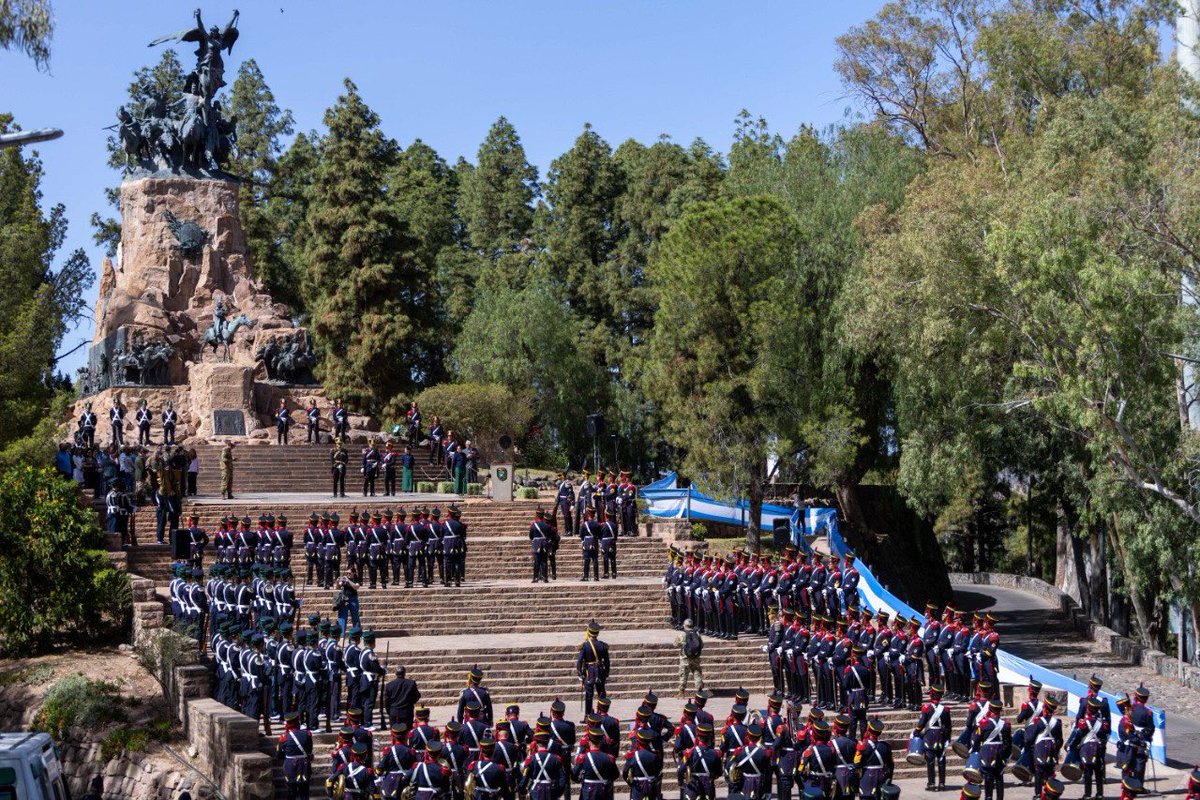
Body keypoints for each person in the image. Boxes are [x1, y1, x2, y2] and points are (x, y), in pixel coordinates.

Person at [914, 683, 952, 792]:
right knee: (941, 760)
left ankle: (931, 783)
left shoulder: (926, 708)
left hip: (930, 737)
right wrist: (947, 738)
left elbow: (921, 723)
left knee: (930, 761)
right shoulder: (945, 710)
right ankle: (942, 784)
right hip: (941, 736)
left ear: (932, 694)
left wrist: (916, 732)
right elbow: (948, 726)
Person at [575, 622, 610, 717]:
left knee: (589, 695)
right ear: (597, 633)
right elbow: (607, 661)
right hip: (600, 672)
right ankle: (602, 713)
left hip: (588, 673)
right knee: (601, 693)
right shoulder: (603, 646)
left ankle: (588, 716)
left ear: (589, 632)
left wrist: (580, 674)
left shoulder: (585, 646)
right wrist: (606, 674)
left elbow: (579, 661)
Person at [277, 710, 313, 800]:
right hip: (304, 765)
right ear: (298, 721)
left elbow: (279, 755)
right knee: (304, 792)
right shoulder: (307, 734)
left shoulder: (284, 737)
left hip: (290, 766)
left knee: (291, 791)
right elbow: (309, 750)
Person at [384, 666, 422, 731]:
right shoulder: (411, 683)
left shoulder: (389, 685)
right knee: (407, 732)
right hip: (407, 711)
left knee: (395, 733)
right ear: (404, 673)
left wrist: (389, 711)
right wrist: (410, 703)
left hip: (394, 712)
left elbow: (387, 701)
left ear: (396, 674)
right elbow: (417, 696)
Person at [676, 619, 704, 696]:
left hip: (685, 659)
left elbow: (675, 644)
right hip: (695, 658)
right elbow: (701, 645)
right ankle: (700, 692)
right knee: (697, 674)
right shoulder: (697, 634)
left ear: (685, 625)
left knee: (683, 675)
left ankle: (681, 693)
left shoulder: (682, 635)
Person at [336, 567, 362, 637]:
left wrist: (348, 580)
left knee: (355, 616)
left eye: (350, 573)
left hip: (353, 599)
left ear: (354, 573)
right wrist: (337, 582)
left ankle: (356, 634)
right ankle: (342, 635)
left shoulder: (356, 579)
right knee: (342, 616)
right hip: (344, 599)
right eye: (347, 573)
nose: (348, 574)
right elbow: (338, 587)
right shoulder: (344, 579)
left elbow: (356, 587)